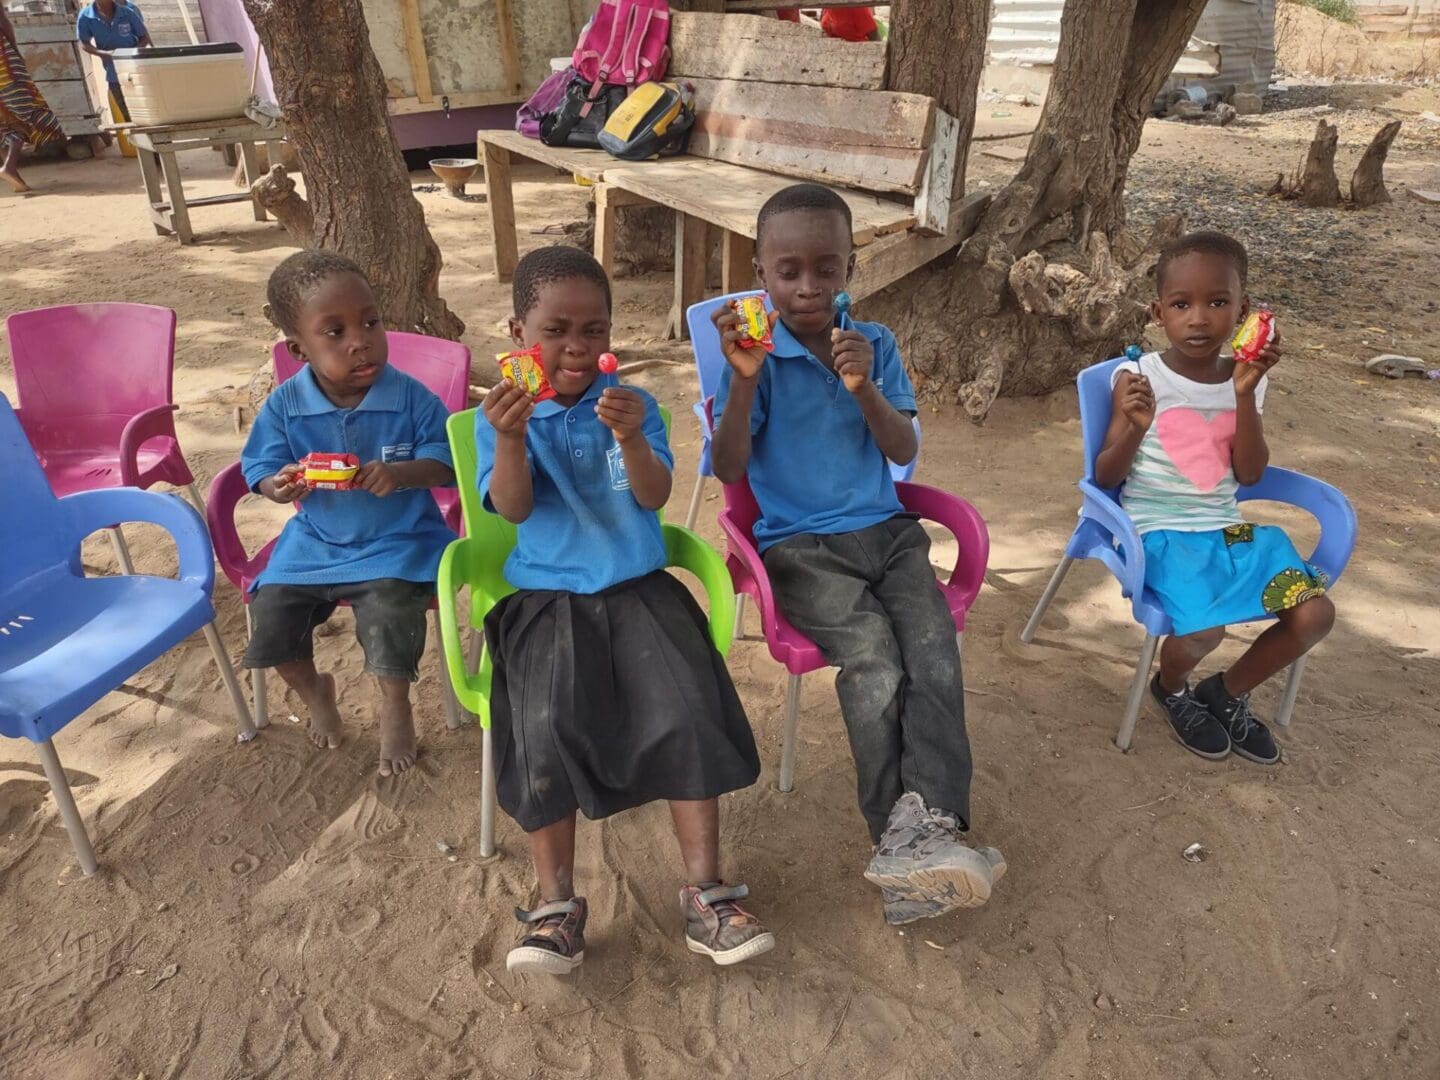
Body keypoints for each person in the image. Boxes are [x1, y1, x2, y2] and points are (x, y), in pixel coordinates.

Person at [710, 183, 1005, 927]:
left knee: (933, 647)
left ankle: (931, 825)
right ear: (760, 271)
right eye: (787, 271)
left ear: (850, 269)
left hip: (888, 533)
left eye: (825, 269)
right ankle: (896, 834)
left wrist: (863, 385)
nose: (807, 287)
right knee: (874, 657)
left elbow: (903, 449)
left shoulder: (873, 344)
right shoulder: (753, 356)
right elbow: (728, 465)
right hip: (800, 547)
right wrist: (742, 382)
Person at [478, 246, 772, 975]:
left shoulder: (636, 408)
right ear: (520, 333)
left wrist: (632, 436)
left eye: (595, 331)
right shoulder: (502, 417)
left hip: (638, 589)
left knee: (690, 713)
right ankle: (554, 908)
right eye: (556, 330)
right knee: (542, 733)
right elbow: (510, 507)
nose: (577, 348)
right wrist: (512, 438)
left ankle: (707, 894)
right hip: (546, 598)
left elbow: (652, 497)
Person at [1095, 230, 1335, 764]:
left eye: (1217, 302)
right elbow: (1106, 474)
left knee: (1315, 615)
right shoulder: (1137, 376)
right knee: (1205, 629)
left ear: (1242, 310)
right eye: (1182, 304)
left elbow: (1248, 475)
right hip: (1159, 533)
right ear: (1159, 312)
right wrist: (1136, 426)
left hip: (1225, 528)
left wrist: (1244, 395)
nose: (1199, 318)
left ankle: (1223, 694)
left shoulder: (1248, 377)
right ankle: (1172, 688)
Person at [241, 251, 456, 778]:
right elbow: (262, 463)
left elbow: (452, 459)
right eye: (334, 332)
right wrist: (278, 483)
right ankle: (316, 691)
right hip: (317, 542)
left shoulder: (410, 398)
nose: (360, 340)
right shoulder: (285, 405)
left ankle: (395, 703)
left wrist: (402, 474)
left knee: (390, 614)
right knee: (270, 619)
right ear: (299, 349)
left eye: (370, 322)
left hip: (399, 540)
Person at [1, 8, 65, 194]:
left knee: (8, 121)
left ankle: (11, 170)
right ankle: (9, 168)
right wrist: (17, 55)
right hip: (5, 65)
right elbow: (3, 23)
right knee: (31, 111)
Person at [76, 0, 151, 122]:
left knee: (147, 110)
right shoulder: (86, 16)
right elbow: (84, 42)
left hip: (136, 71)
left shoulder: (128, 12)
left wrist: (132, 53)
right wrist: (103, 54)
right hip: (113, 74)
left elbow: (144, 36)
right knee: (127, 116)